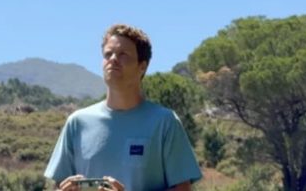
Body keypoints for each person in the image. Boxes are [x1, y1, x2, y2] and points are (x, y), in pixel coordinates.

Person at [44, 24, 202, 191]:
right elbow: (57, 186)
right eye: (108, 54)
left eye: (123, 54)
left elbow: (183, 188)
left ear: (142, 66)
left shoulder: (165, 122)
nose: (113, 59)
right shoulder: (77, 123)